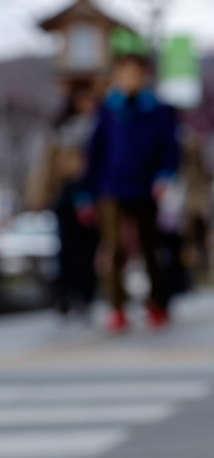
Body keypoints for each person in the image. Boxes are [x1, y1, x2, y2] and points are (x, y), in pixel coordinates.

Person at [82, 30, 180, 333]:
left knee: (151, 248)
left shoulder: (158, 111)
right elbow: (94, 152)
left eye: (135, 74)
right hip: (110, 186)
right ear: (115, 77)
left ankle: (156, 302)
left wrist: (165, 176)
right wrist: (86, 192)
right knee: (113, 249)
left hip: (146, 188)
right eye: (123, 74)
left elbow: (169, 148)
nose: (130, 79)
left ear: (145, 76)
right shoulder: (107, 111)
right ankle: (117, 307)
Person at [25, 86, 100, 319]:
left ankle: (86, 296)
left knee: (89, 248)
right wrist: (38, 197)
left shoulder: (102, 129)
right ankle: (65, 294)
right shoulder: (59, 132)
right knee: (66, 247)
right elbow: (46, 168)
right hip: (66, 193)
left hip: (92, 193)